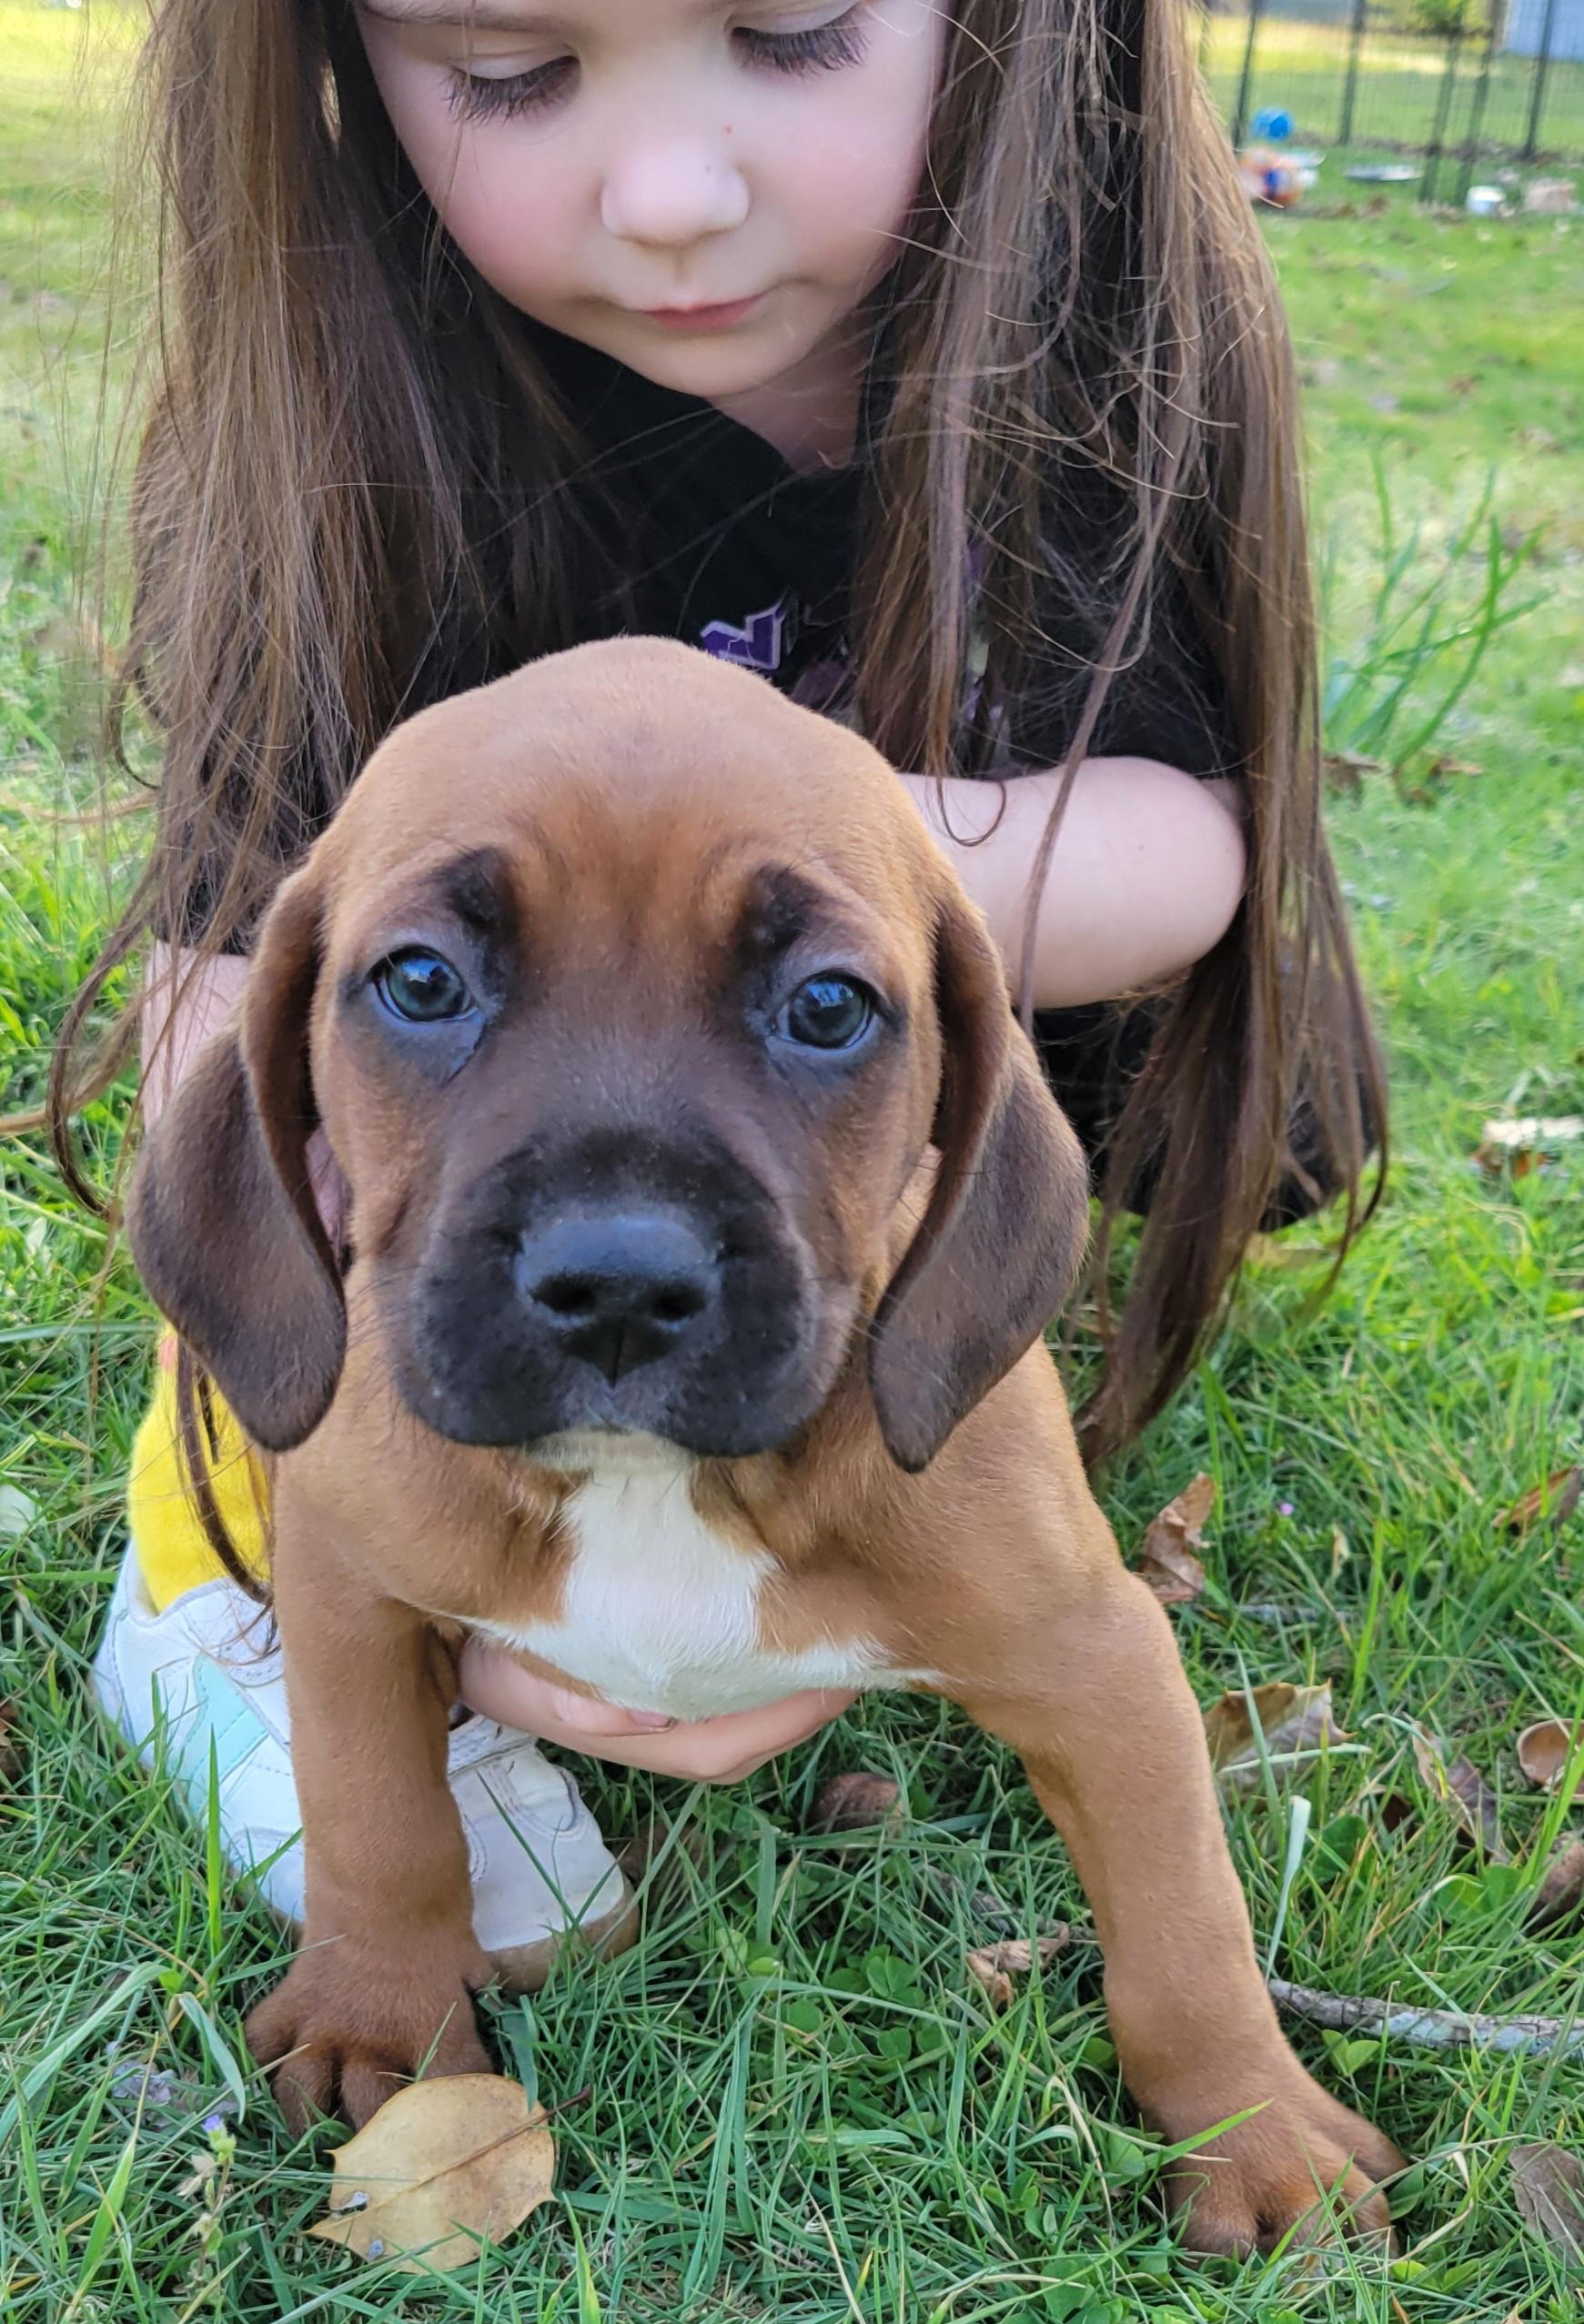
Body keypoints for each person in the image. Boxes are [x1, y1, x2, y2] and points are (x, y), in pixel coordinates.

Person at [68, 0, 1384, 1967]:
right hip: (430, 1307)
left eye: (789, 28)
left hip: (987, 1104)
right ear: (332, 67)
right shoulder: (337, 426)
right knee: (279, 1485)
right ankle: (207, 1592)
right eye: (511, 69)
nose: (670, 195)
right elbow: (224, 968)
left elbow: (1181, 835)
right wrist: (299, 1292)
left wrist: (808, 852)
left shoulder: (1084, 361)